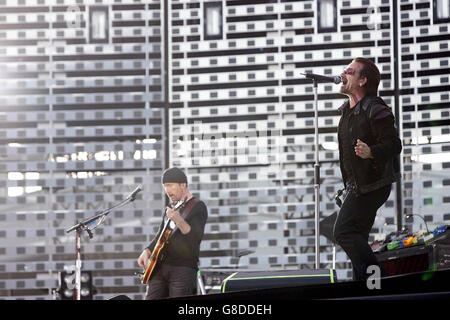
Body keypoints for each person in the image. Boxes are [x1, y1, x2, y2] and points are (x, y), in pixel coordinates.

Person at [333, 57, 402, 281]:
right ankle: (366, 289)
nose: (343, 73)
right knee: (358, 238)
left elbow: (394, 145)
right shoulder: (346, 112)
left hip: (373, 184)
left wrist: (371, 151)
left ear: (362, 80)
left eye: (349, 71)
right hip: (357, 184)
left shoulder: (375, 107)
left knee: (343, 232)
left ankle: (379, 282)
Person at [137, 167, 208, 299]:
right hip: (159, 267)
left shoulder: (198, 206)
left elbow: (195, 237)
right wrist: (147, 250)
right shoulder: (171, 208)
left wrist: (177, 219)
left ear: (183, 185)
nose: (167, 191)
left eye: (170, 185)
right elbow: (160, 235)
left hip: (182, 268)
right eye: (164, 186)